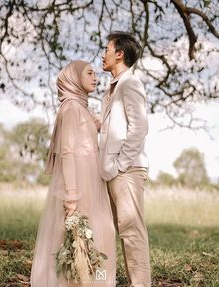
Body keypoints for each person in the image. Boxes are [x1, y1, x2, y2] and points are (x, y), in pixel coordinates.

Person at [30, 60, 116, 287]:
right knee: (77, 239)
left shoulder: (81, 107)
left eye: (95, 74)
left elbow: (93, 132)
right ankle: (75, 283)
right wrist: (71, 193)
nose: (95, 78)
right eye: (89, 73)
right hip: (79, 182)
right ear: (74, 78)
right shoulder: (70, 108)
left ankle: (96, 280)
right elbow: (66, 152)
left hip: (91, 179)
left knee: (98, 233)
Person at [100, 32, 151, 287]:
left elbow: (139, 127)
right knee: (119, 231)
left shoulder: (130, 83)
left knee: (132, 231)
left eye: (106, 49)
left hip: (127, 170)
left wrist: (120, 165)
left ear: (119, 53)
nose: (103, 54)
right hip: (113, 171)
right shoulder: (112, 87)